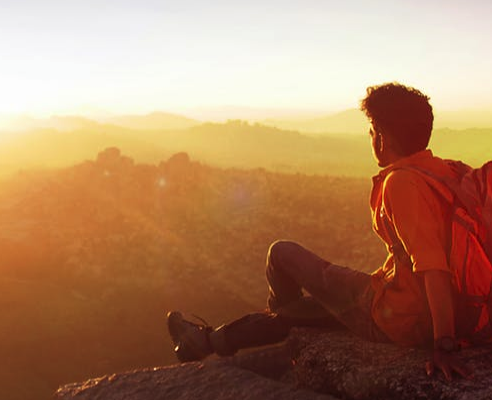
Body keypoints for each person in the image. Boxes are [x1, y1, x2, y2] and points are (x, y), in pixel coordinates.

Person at [167, 82, 473, 380]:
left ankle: (272, 328)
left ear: (381, 137)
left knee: (281, 254)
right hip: (433, 306)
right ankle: (209, 341)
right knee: (316, 306)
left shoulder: (402, 183)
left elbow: (433, 267)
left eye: (371, 131)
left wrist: (443, 344)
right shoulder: (447, 172)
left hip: (399, 318)